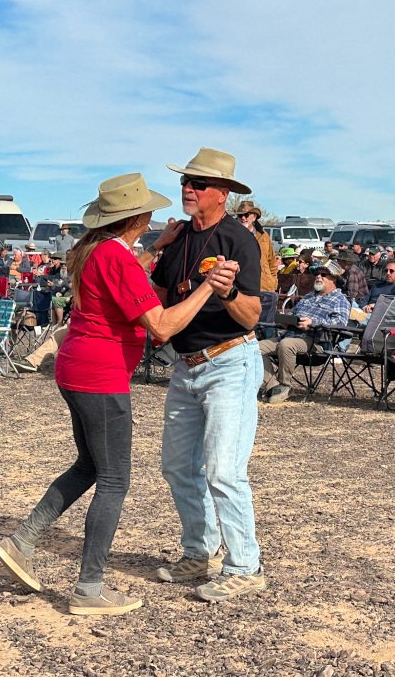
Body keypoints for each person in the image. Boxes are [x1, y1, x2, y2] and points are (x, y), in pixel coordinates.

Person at [0, 172, 220, 616]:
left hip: (77, 366)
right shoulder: (117, 257)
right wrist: (209, 288)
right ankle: (89, 587)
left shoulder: (96, 249)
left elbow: (124, 279)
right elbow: (161, 326)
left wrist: (155, 248)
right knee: (114, 479)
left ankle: (22, 542)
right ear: (139, 216)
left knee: (87, 466)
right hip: (102, 374)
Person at [149, 148, 266, 603]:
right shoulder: (177, 240)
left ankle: (245, 565)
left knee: (223, 469)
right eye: (186, 182)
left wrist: (229, 290)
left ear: (224, 193)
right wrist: (155, 246)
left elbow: (252, 315)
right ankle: (200, 551)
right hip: (186, 365)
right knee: (177, 467)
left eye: (198, 184)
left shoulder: (238, 240)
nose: (188, 189)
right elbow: (155, 296)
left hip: (230, 360)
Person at [258, 260, 349, 403]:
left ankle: (284, 385)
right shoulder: (308, 296)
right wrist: (285, 320)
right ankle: (272, 385)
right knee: (254, 348)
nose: (318, 277)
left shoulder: (340, 300)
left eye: (323, 275)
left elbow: (340, 324)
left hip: (316, 341)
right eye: (317, 274)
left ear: (334, 279)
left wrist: (313, 323)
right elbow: (293, 313)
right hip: (290, 335)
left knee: (287, 344)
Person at [234, 201, 277, 293]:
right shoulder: (231, 235)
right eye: (240, 215)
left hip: (265, 289)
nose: (243, 218)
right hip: (242, 290)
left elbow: (272, 262)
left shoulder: (264, 235)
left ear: (254, 217)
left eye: (246, 215)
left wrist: (273, 282)